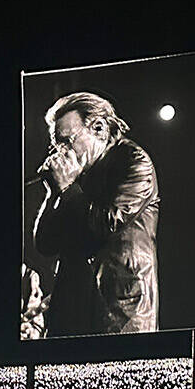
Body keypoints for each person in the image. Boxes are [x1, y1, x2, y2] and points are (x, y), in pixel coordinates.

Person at [32, 92, 159, 337]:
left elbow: (106, 222)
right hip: (71, 310)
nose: (61, 152)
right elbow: (45, 243)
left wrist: (68, 189)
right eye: (57, 145)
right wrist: (52, 194)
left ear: (98, 128)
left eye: (67, 142)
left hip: (119, 310)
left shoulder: (134, 162)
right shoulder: (76, 175)